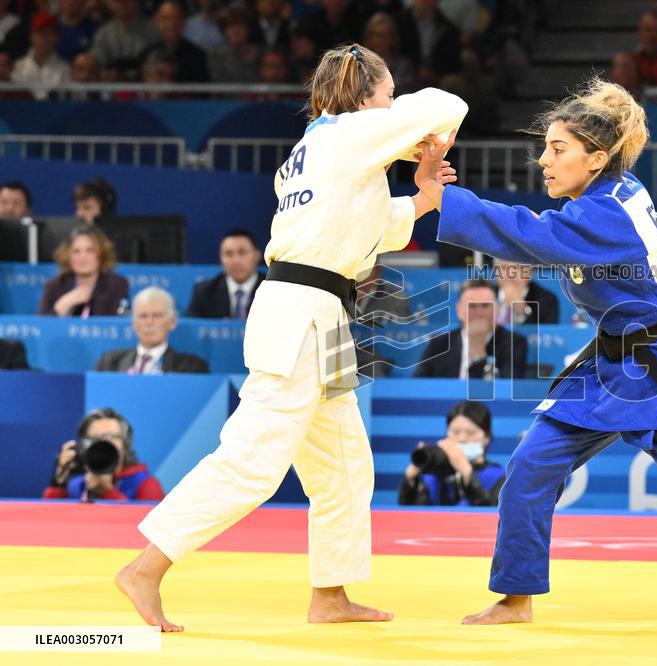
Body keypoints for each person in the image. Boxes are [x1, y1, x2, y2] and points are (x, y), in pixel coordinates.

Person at [114, 43, 467, 632]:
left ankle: (331, 594)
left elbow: (367, 231)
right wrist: (422, 138)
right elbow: (446, 103)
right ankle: (146, 567)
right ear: (364, 98)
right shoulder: (349, 135)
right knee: (253, 459)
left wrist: (425, 192)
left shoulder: (318, 149)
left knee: (344, 464)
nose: (392, 104)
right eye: (388, 94)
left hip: (322, 312)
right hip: (300, 310)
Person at [412, 78, 657, 625]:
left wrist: (439, 195)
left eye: (557, 149)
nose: (543, 161)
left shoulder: (607, 213)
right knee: (531, 466)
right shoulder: (608, 195)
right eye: (545, 148)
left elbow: (528, 235)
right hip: (614, 359)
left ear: (596, 158)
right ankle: (515, 598)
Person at [413, 278, 528, 379]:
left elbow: (506, 388)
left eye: (485, 306)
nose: (479, 313)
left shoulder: (514, 343)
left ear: (497, 309)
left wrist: (478, 354)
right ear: (459, 310)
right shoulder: (439, 344)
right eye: (472, 306)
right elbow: (417, 386)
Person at [42, 408, 165, 501]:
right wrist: (59, 481)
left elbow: (150, 526)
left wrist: (108, 493)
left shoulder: (146, 485)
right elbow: (49, 518)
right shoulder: (76, 486)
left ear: (125, 443)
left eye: (111, 436)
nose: (103, 443)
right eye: (95, 438)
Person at [399, 400, 505, 506]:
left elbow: (493, 513)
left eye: (471, 433)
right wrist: (411, 482)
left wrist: (467, 473)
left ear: (487, 437)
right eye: (455, 432)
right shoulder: (433, 477)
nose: (462, 439)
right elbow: (412, 514)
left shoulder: (499, 477)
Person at [96, 287, 209, 374]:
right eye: (143, 316)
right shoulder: (109, 364)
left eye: (157, 316)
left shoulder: (192, 368)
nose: (149, 322)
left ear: (173, 322)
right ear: (134, 323)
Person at [37, 225, 130, 317]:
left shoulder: (118, 285)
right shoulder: (54, 286)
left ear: (101, 255)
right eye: (76, 251)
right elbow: (41, 324)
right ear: (68, 256)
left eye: (90, 251)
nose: (83, 257)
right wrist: (65, 303)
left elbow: (120, 322)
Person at [185, 229, 265, 319]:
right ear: (221, 258)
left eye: (242, 253)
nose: (235, 260)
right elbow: (192, 324)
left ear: (257, 255)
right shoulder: (204, 291)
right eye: (228, 254)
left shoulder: (272, 289)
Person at [11, 13, 70, 98]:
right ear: (32, 37)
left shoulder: (65, 68)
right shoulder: (18, 67)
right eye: (41, 34)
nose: (45, 39)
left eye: (50, 34)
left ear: (56, 37)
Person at [493, 258, 559, 326]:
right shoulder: (487, 293)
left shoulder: (546, 300)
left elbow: (546, 331)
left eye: (517, 268)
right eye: (504, 268)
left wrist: (522, 311)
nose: (510, 274)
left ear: (530, 272)